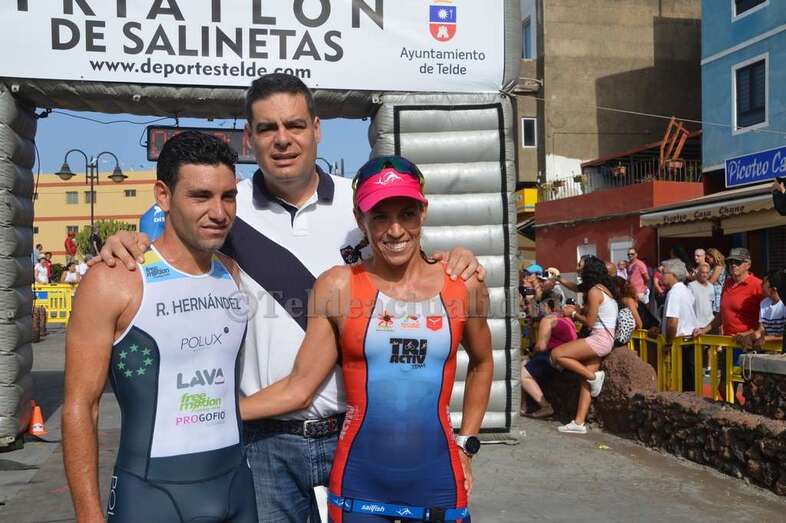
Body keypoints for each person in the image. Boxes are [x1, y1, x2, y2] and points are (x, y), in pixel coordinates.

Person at [94, 73, 483, 523]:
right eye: (267, 128)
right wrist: (128, 241)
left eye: (295, 125)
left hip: (352, 439)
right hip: (264, 443)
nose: (283, 139)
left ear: (317, 129)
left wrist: (457, 258)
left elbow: (407, 251)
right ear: (249, 137)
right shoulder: (225, 205)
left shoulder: (360, 204)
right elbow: (161, 248)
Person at [240, 156, 493, 522]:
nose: (395, 230)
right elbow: (300, 386)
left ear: (423, 212)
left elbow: (483, 363)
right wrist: (215, 415)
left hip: (438, 481)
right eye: (380, 217)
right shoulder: (337, 286)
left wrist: (467, 445)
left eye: (407, 214)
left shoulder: (463, 283)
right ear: (360, 220)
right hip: (359, 486)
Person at [62, 132, 257, 522]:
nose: (219, 212)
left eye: (228, 196)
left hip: (235, 488)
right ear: (163, 196)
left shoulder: (232, 273)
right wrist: (88, 515)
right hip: (150, 496)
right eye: (200, 196)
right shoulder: (114, 280)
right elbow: (80, 406)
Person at [552, 256, 619, 434]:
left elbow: (589, 322)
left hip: (599, 339)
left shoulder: (594, 292)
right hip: (606, 339)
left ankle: (594, 376)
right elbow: (576, 287)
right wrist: (558, 278)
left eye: (580, 265)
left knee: (557, 355)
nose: (577, 268)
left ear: (588, 269)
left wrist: (573, 314)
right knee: (585, 383)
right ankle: (579, 423)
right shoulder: (602, 288)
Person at [694, 248, 763, 396]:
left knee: (750, 391)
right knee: (724, 388)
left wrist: (751, 334)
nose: (733, 265)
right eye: (731, 262)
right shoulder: (728, 283)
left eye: (737, 262)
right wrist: (704, 330)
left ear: (748, 264)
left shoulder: (758, 285)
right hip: (729, 343)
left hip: (747, 346)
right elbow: (722, 314)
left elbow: (765, 318)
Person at [520, 298, 576, 418]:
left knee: (522, 374)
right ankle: (524, 406)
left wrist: (532, 351)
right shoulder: (566, 320)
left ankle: (545, 406)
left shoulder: (548, 319)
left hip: (556, 356)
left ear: (547, 307)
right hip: (569, 355)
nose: (537, 310)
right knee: (525, 363)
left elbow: (541, 346)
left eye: (539, 307)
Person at [649, 259, 699, 391]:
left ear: (673, 275)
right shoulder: (686, 290)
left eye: (664, 273)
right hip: (688, 341)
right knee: (689, 384)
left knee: (682, 384)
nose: (661, 276)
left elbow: (673, 322)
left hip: (679, 344)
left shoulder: (674, 293)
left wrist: (668, 343)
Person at [753, 271, 786, 344]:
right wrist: (751, 336)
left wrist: (767, 338)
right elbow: (761, 330)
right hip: (769, 349)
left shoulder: (784, 305)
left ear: (774, 288)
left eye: (764, 283)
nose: (761, 285)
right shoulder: (764, 303)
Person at [689, 263, 715, 330]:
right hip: (697, 326)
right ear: (698, 273)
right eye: (703, 272)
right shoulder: (691, 286)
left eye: (707, 273)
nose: (705, 275)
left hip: (710, 324)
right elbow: (688, 306)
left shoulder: (711, 287)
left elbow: (711, 304)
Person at [705, 248, 727, 315]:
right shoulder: (713, 267)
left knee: (716, 314)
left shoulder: (718, 267)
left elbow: (712, 281)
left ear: (714, 257)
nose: (708, 260)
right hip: (712, 291)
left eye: (709, 258)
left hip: (717, 292)